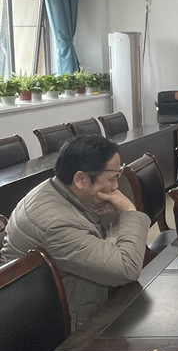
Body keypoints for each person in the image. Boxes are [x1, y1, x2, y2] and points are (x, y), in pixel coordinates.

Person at [0, 134, 149, 331]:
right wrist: (129, 212)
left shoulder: (54, 188)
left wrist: (100, 212)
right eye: (112, 178)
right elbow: (127, 269)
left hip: (67, 300)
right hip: (56, 328)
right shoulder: (55, 225)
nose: (116, 187)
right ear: (80, 179)